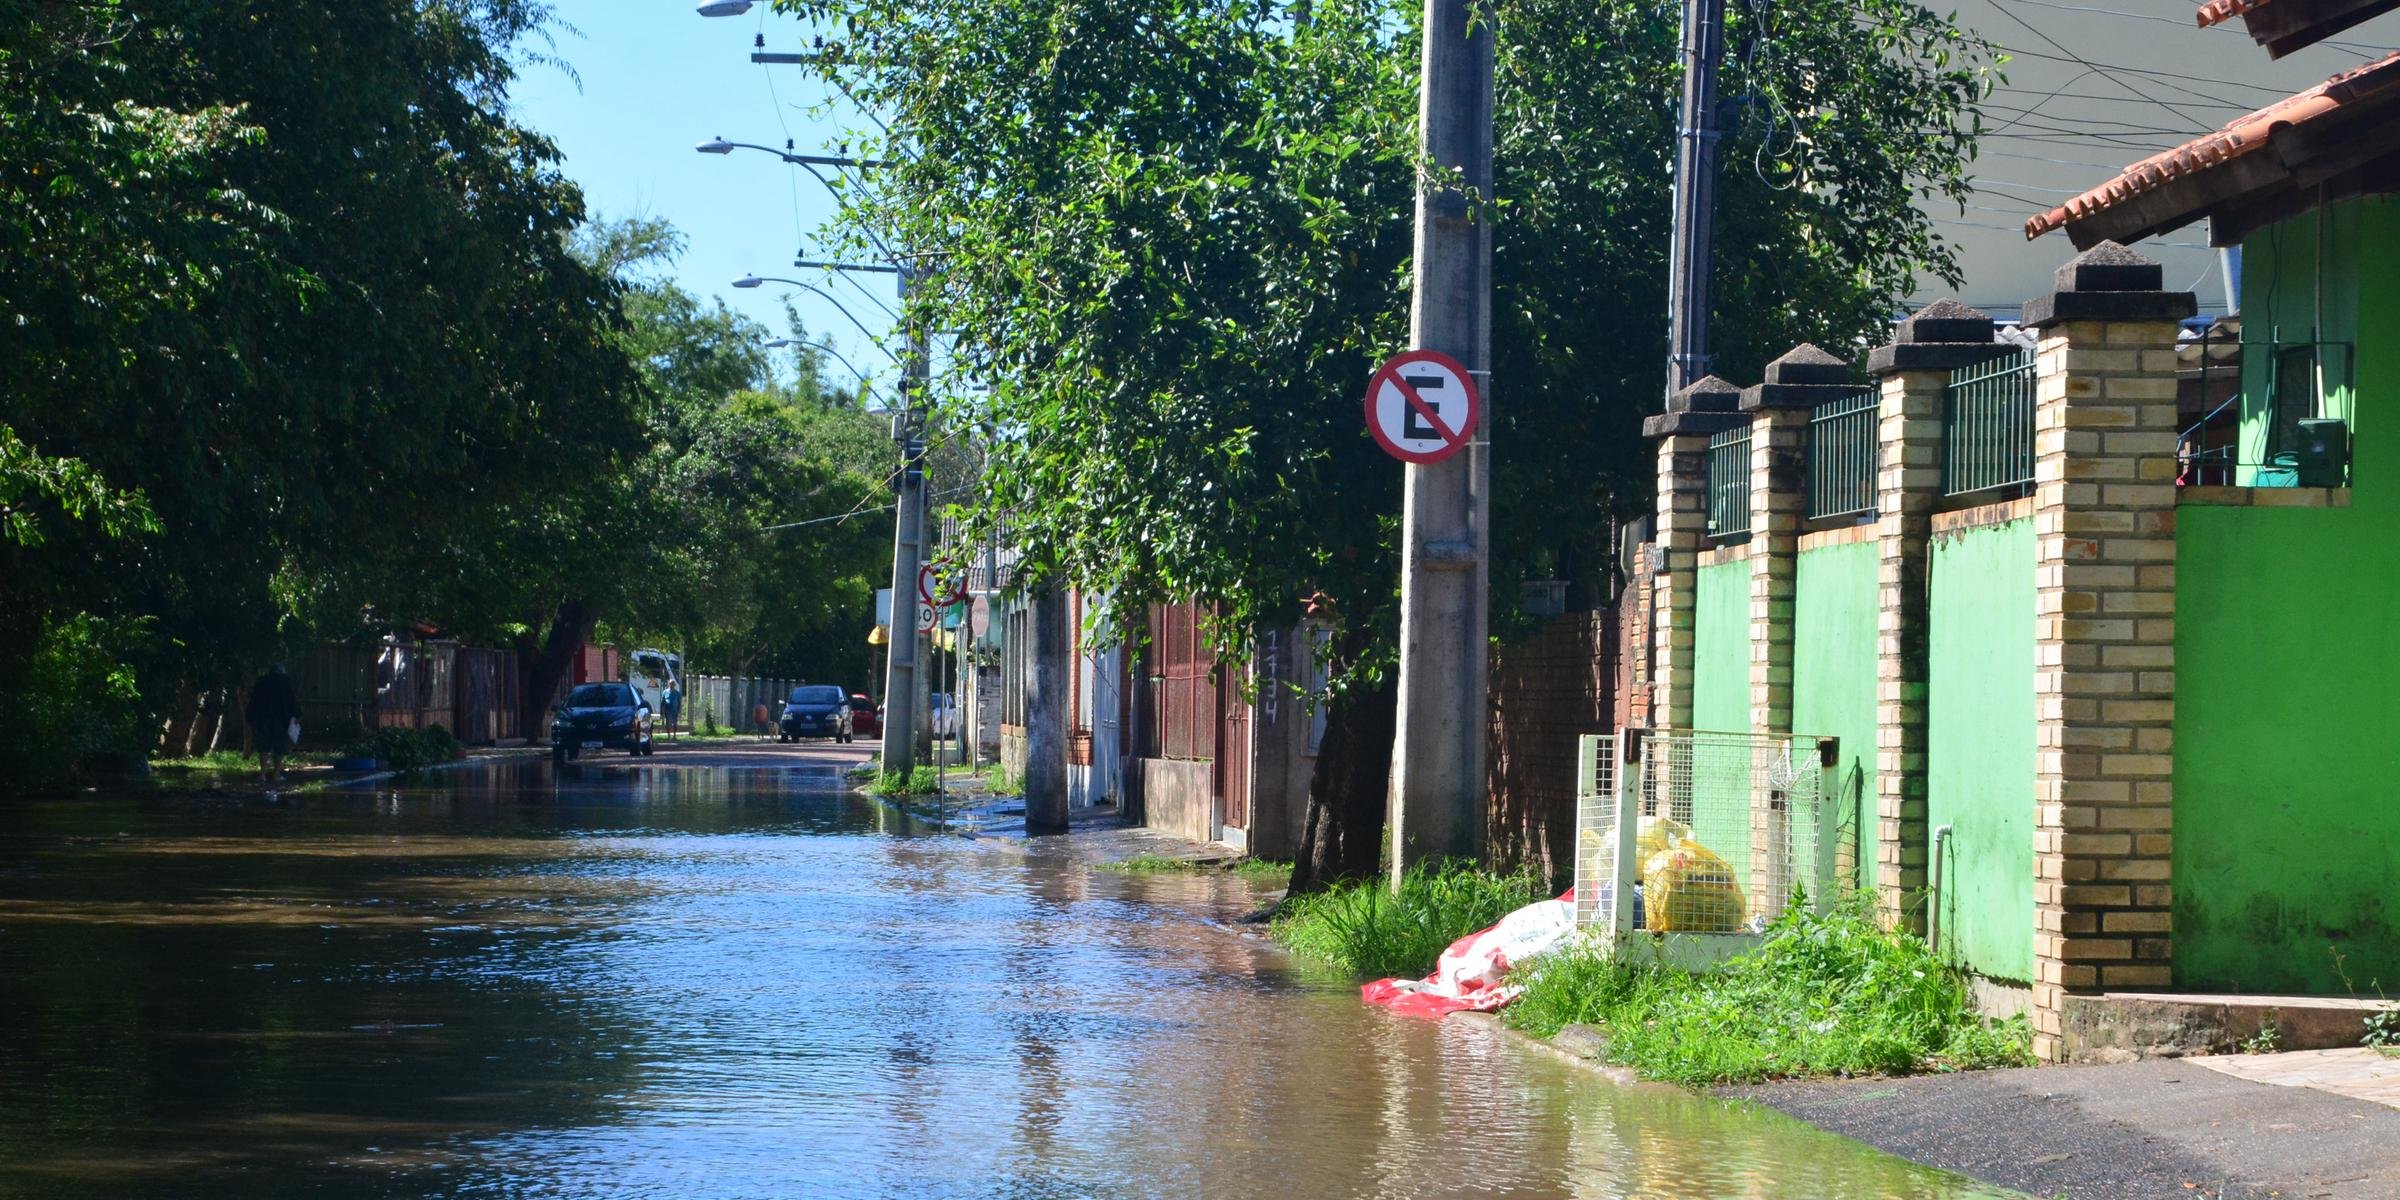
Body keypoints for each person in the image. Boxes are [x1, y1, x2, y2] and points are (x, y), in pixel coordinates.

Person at [245, 664, 300, 786]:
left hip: (263, 719)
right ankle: (276, 774)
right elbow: (292, 700)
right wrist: (296, 715)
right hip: (281, 720)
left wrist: (249, 716)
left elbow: (254, 700)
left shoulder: (262, 682)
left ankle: (262, 774)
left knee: (264, 747)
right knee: (279, 748)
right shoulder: (286, 683)